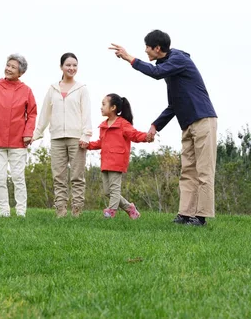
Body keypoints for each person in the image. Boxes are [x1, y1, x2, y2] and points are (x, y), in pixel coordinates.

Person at [110, 30, 217, 226]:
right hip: (187, 123)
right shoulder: (169, 67)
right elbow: (173, 104)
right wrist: (155, 125)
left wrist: (129, 58)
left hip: (203, 119)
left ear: (157, 48)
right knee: (188, 171)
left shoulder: (178, 60)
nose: (145, 51)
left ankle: (200, 217)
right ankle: (185, 214)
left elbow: (156, 73)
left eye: (147, 47)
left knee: (203, 171)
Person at [32, 52, 92, 218]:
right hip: (57, 138)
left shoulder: (82, 89)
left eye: (74, 65)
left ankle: (77, 211)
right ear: (61, 67)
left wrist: (86, 135)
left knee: (77, 177)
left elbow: (86, 113)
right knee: (58, 176)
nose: (71, 68)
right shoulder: (53, 89)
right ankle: (60, 211)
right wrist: (37, 133)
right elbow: (45, 112)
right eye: (68, 65)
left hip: (76, 138)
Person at [0, 54, 37, 218]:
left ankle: (21, 212)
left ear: (21, 72)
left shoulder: (26, 91)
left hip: (18, 141)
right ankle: (4, 211)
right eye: (8, 65)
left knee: (18, 177)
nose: (9, 68)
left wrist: (28, 133)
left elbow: (32, 114)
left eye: (13, 67)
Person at [83, 93, 152, 219]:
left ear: (113, 107)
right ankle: (129, 208)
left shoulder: (123, 124)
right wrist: (88, 145)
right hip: (105, 161)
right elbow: (101, 142)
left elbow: (134, 135)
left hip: (117, 161)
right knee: (107, 191)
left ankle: (111, 212)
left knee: (114, 190)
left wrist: (146, 137)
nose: (101, 107)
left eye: (104, 104)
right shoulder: (103, 126)